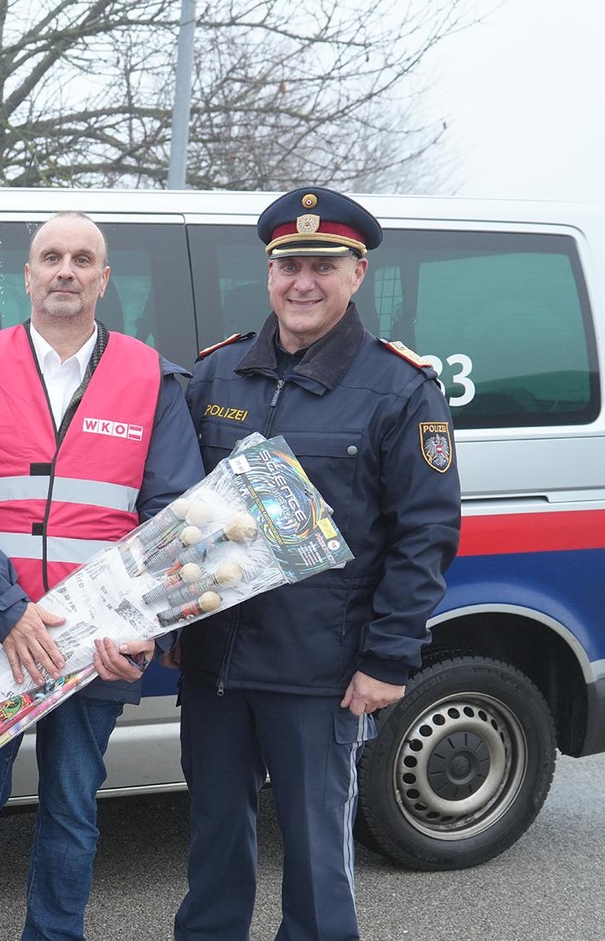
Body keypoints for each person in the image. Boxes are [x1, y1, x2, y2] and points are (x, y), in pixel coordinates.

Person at [174, 188, 462, 941]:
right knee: (212, 847)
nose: (303, 282)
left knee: (314, 859)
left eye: (323, 266)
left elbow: (424, 535)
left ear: (358, 272)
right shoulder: (216, 375)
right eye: (289, 265)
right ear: (268, 273)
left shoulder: (402, 389)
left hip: (321, 672)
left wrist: (388, 657)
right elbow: (171, 510)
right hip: (215, 663)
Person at [0, 212, 204, 941]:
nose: (65, 270)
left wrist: (139, 627)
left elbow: (176, 520)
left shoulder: (149, 377)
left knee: (72, 816)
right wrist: (8, 610)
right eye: (52, 257)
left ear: (106, 278)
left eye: (82, 258)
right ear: (29, 276)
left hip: (93, 646)